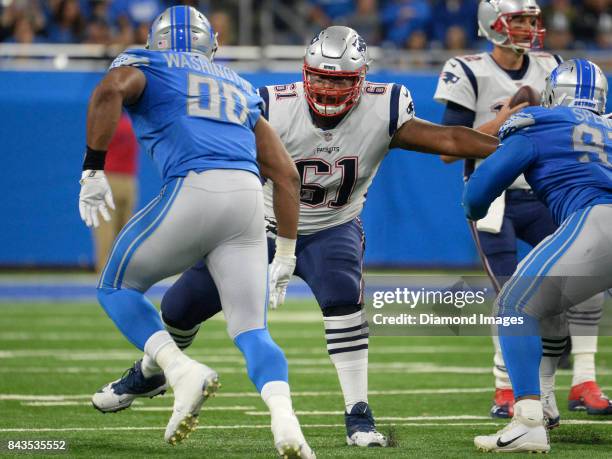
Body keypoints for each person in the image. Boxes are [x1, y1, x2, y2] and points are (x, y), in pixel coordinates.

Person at [91, 25, 500, 448]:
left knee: (343, 298)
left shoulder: (386, 107)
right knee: (178, 308)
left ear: (360, 80)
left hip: (333, 226)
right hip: (260, 228)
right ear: (305, 71)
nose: (326, 87)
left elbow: (449, 138)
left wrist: (504, 148)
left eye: (338, 80)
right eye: (320, 76)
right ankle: (150, 373)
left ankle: (358, 414)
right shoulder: (272, 104)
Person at [78, 6, 314, 457]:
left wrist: (92, 169)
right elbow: (285, 174)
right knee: (253, 332)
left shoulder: (150, 62)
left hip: (194, 186)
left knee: (115, 286)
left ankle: (179, 369)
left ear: (158, 40)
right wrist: (285, 253)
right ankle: (286, 422)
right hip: (248, 201)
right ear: (212, 42)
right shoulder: (239, 85)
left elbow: (110, 88)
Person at [434, 0, 608, 420]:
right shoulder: (469, 68)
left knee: (581, 280)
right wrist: (508, 121)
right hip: (498, 195)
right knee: (512, 291)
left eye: (532, 19)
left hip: (545, 191)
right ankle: (507, 389)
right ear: (492, 25)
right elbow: (447, 146)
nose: (529, 27)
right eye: (519, 20)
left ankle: (583, 377)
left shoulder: (552, 64)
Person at [464, 58, 611, 453]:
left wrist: (472, 208)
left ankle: (527, 419)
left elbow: (480, 190)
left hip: (599, 219)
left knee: (514, 305)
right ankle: (545, 401)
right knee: (548, 307)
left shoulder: (539, 123)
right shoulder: (608, 126)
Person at [93, 111, 138, 273]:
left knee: (105, 229)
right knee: (124, 232)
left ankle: (105, 273)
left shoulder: (107, 127)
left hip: (108, 179)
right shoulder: (131, 127)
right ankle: (126, 272)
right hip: (129, 181)